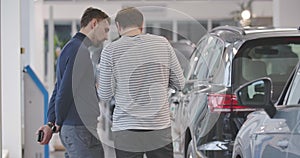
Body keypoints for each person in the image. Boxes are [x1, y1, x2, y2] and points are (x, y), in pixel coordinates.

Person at [97, 7, 184, 158]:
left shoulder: (110, 51)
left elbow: (104, 94)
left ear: (118, 26)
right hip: (159, 126)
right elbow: (180, 83)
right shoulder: (163, 44)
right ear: (141, 24)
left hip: (126, 128)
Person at [36, 7, 110, 158]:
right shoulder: (79, 51)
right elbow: (65, 90)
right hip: (79, 129)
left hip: (78, 129)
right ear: (94, 23)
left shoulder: (70, 47)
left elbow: (58, 88)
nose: (106, 37)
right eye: (106, 30)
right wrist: (58, 121)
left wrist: (51, 122)